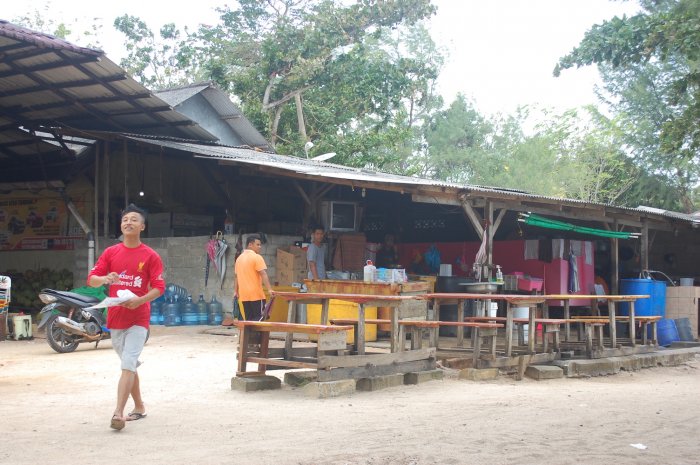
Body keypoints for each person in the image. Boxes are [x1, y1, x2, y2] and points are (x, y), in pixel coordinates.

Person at [87, 204, 164, 431]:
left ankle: (118, 413)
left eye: (133, 220)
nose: (128, 223)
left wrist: (140, 300)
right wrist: (105, 279)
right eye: (124, 220)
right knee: (128, 365)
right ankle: (139, 406)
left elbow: (159, 287)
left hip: (139, 318)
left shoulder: (151, 255)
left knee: (128, 363)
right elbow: (91, 279)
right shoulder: (111, 253)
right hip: (116, 318)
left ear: (142, 226)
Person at [234, 234, 273, 321]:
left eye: (260, 245)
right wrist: (270, 289)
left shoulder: (239, 259)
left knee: (249, 321)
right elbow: (263, 274)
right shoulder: (257, 257)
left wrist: (235, 291)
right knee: (260, 319)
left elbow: (236, 277)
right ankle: (257, 335)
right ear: (250, 245)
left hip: (243, 295)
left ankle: (250, 335)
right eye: (258, 244)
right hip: (256, 295)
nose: (260, 247)